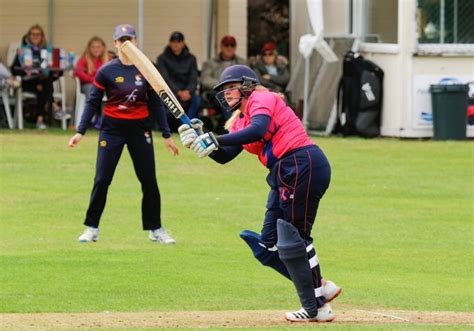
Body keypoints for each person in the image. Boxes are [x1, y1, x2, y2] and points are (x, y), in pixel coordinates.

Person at [178, 65, 341, 322]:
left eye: (231, 87)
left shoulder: (262, 98)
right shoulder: (240, 120)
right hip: (283, 172)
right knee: (267, 246)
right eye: (224, 90)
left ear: (246, 86)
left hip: (301, 162)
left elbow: (257, 130)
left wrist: (214, 138)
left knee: (296, 237)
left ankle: (316, 307)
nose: (227, 94)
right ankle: (321, 286)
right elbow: (225, 156)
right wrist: (200, 139)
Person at [68, 24, 179, 244]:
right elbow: (92, 102)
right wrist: (80, 131)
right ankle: (92, 228)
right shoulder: (107, 71)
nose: (125, 44)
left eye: (129, 39)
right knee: (102, 179)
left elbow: (157, 104)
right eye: (121, 40)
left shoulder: (146, 69)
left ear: (135, 42)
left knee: (148, 181)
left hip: (139, 130)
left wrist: (166, 135)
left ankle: (155, 229)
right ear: (116, 43)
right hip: (112, 131)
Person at [10, 24, 63, 129]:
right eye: (33, 34)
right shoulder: (22, 51)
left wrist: (56, 70)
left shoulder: (46, 51)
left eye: (38, 34)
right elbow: (14, 69)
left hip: (42, 81)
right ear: (28, 36)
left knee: (43, 85)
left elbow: (51, 71)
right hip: (27, 81)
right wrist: (26, 70)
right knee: (44, 84)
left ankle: (40, 119)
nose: (35, 36)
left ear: (42, 36)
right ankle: (54, 106)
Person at [199, 35, 246, 132]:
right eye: (226, 45)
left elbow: (248, 78)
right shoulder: (210, 63)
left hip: (237, 91)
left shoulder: (242, 62)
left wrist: (235, 87)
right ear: (221, 46)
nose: (229, 48)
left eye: (232, 45)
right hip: (215, 92)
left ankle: (243, 127)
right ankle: (234, 128)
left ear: (235, 47)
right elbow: (204, 79)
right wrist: (223, 85)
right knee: (225, 98)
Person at [156, 31, 198, 132]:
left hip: (187, 93)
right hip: (169, 92)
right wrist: (178, 92)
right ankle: (164, 129)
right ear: (169, 43)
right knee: (161, 102)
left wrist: (188, 91)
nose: (176, 44)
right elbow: (165, 78)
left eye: (178, 41)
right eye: (173, 41)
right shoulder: (162, 58)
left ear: (183, 43)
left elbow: (194, 77)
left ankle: (190, 128)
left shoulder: (191, 58)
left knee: (197, 100)